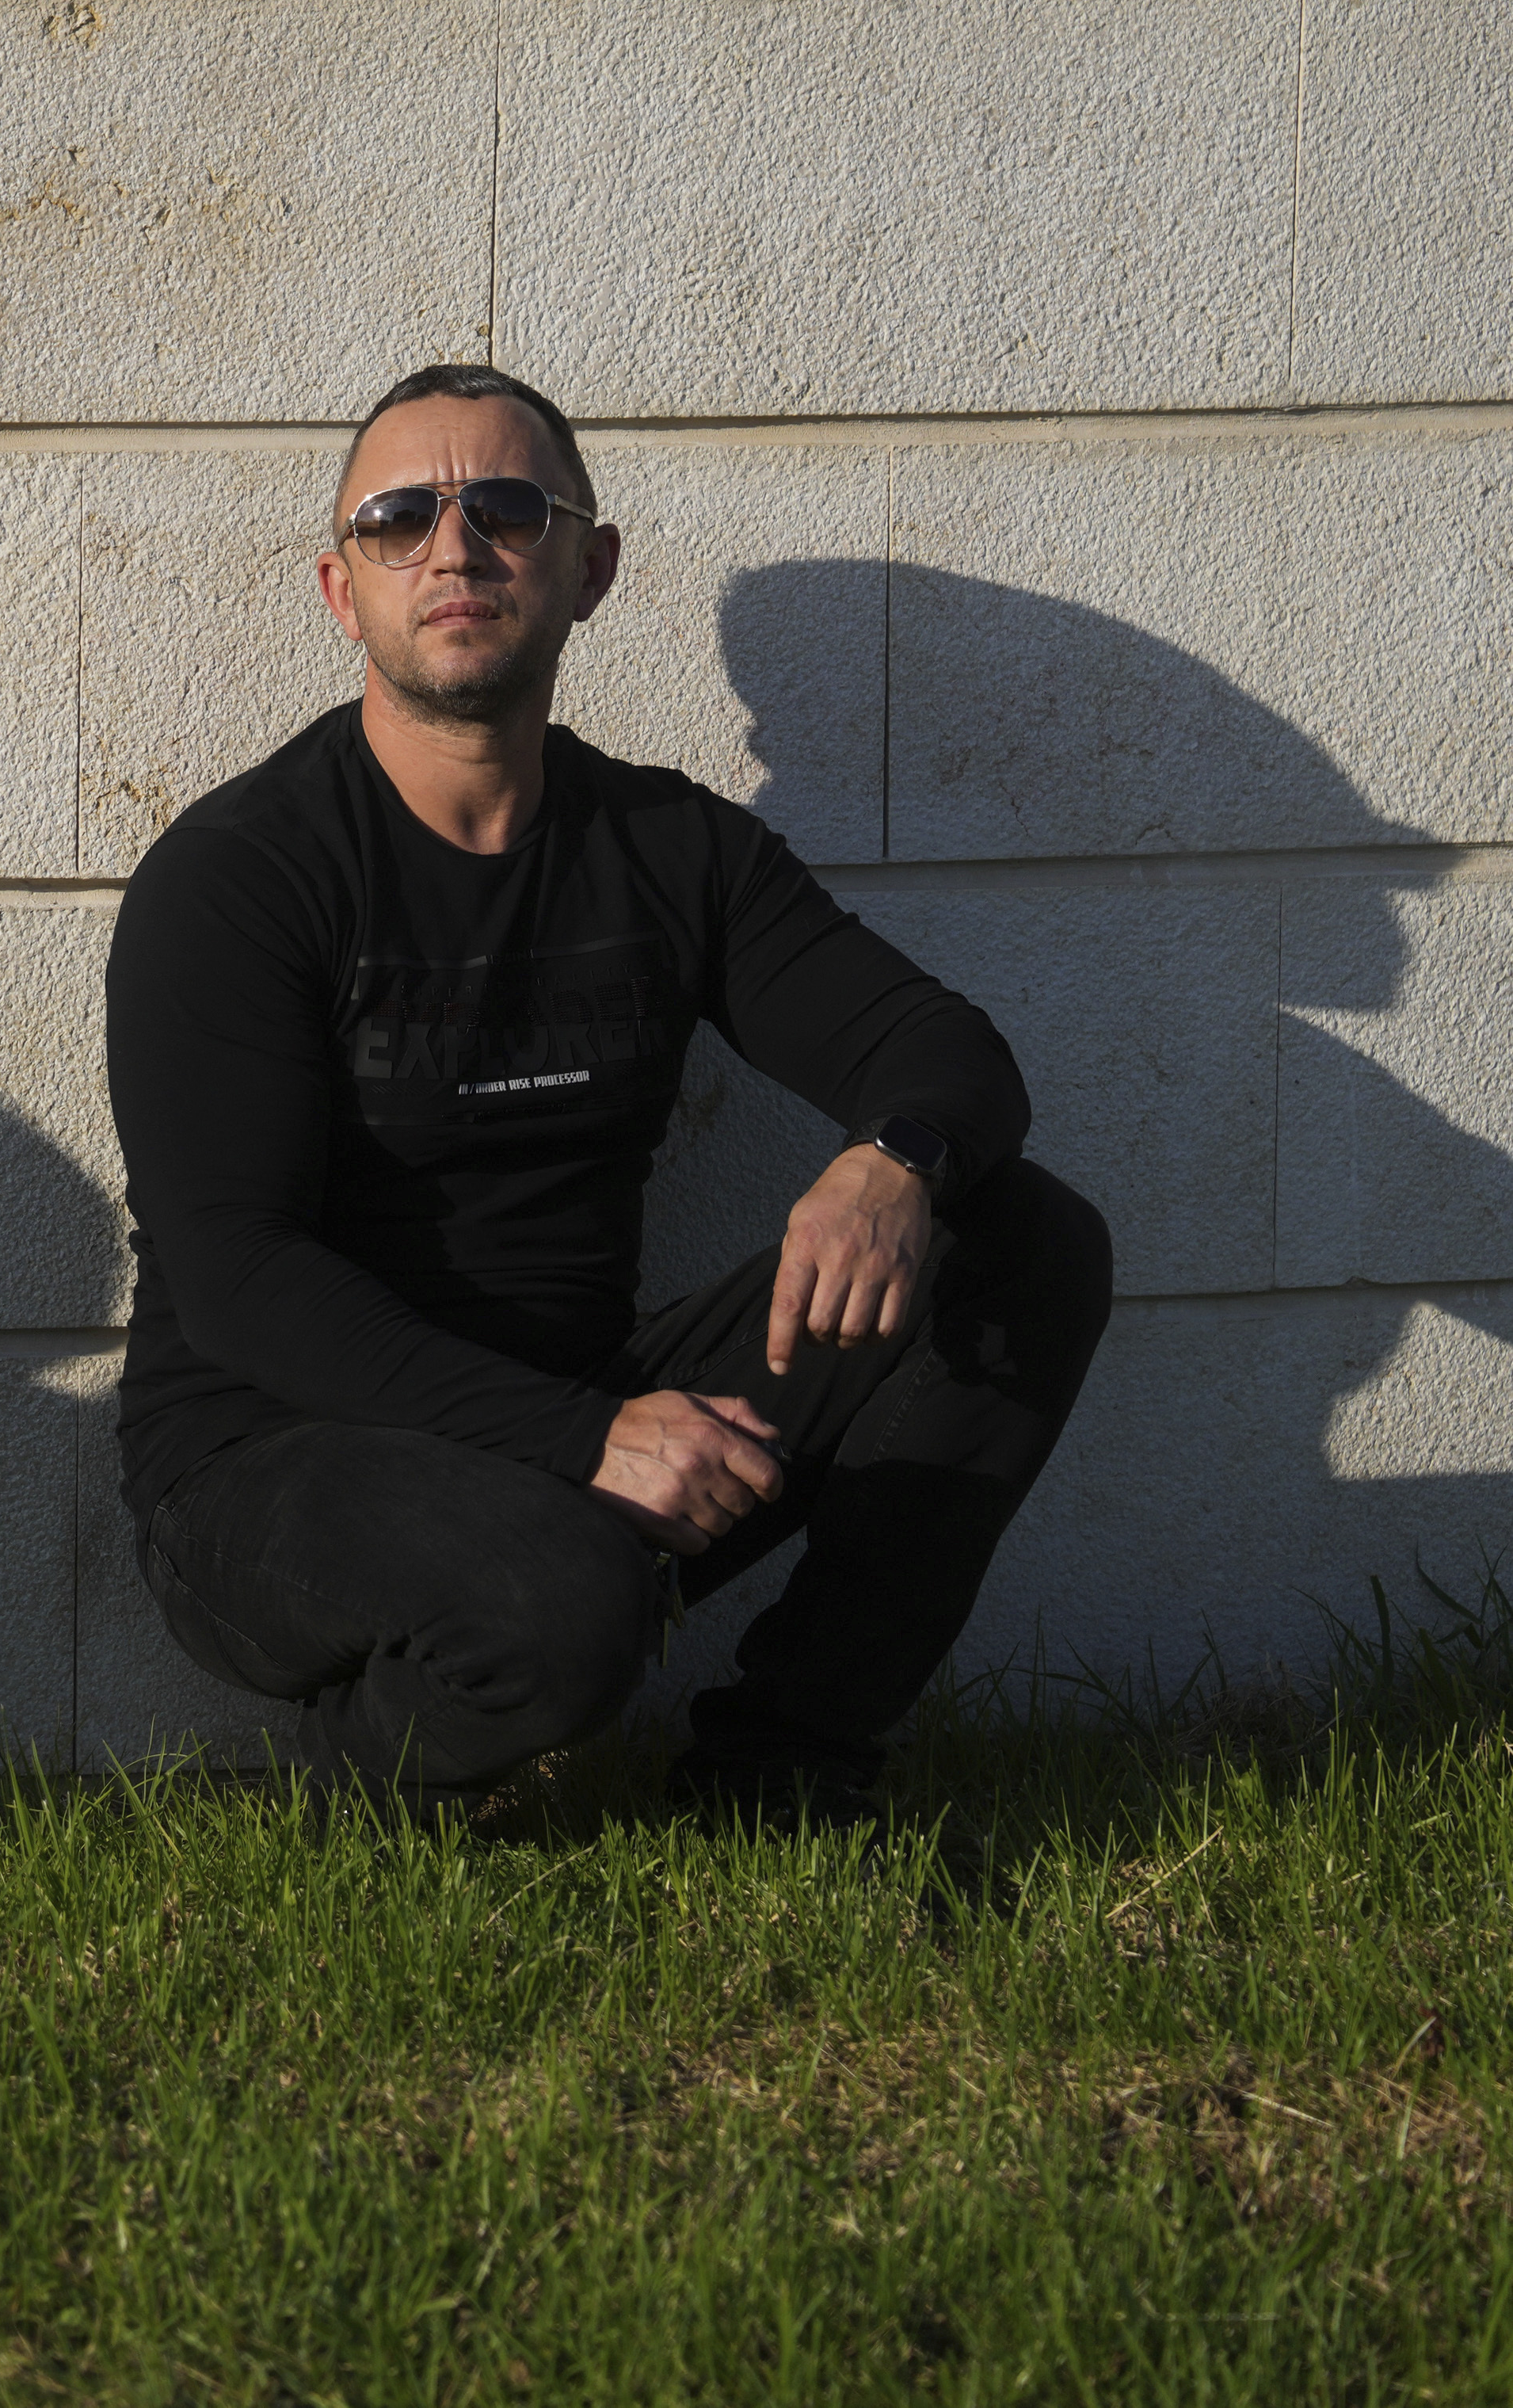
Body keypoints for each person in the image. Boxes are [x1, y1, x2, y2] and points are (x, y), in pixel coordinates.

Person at [105, 364, 1116, 1822]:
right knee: (563, 1596)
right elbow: (242, 1280)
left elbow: (945, 1051)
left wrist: (895, 1155)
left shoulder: (670, 851)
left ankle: (784, 1775)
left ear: (590, 567)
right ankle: (355, 1789)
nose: (453, 548)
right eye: (400, 519)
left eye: (506, 507)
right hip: (266, 1466)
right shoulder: (244, 876)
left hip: (584, 1419)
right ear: (345, 591)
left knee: (1020, 1242)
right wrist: (584, 1444)